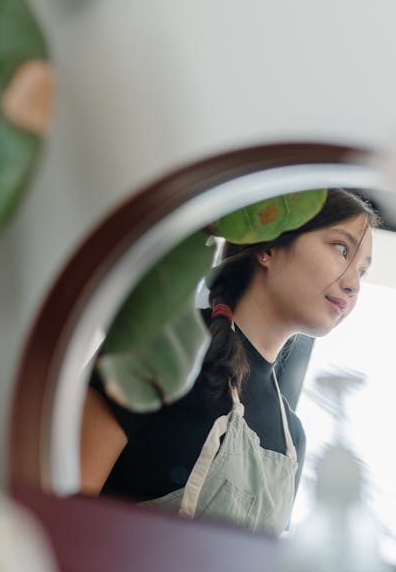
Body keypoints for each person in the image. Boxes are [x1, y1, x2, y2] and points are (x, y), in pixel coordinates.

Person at [79, 189, 379, 536]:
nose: (354, 284)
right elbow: (60, 504)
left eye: (363, 271)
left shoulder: (292, 439)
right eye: (342, 249)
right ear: (269, 247)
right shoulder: (163, 345)